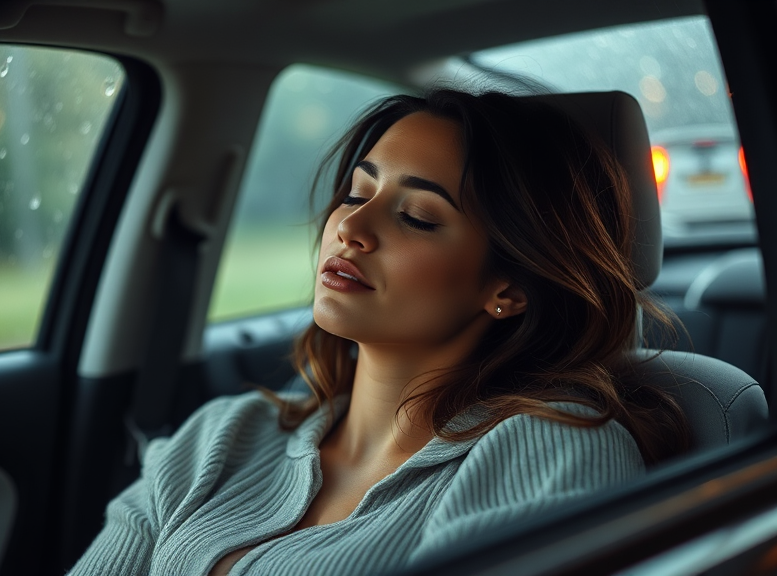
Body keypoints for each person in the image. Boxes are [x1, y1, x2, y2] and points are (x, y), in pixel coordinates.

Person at [68, 89, 689, 576]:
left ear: (509, 289)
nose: (351, 227)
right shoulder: (220, 436)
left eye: (417, 217)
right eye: (357, 192)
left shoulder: (558, 450)